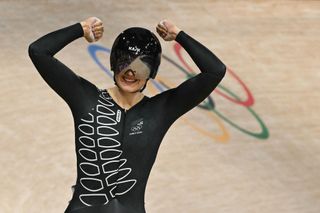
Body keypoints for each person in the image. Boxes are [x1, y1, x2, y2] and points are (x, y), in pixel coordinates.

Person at [28, 17, 226, 213]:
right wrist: (81, 28)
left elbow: (215, 71)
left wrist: (178, 35)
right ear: (114, 63)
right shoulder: (85, 99)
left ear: (151, 73)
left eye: (141, 67)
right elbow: (38, 51)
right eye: (125, 62)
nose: (131, 72)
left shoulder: (161, 110)